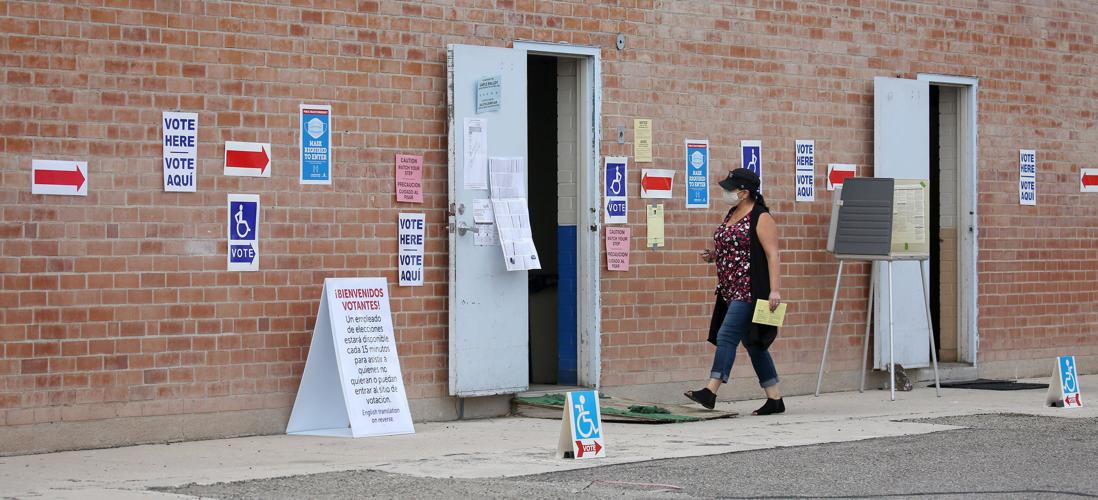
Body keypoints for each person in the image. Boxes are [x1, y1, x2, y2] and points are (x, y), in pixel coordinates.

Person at [684, 168, 785, 416]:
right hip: (729, 288)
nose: (726, 192)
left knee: (726, 335)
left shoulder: (761, 217)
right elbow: (735, 248)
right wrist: (715, 256)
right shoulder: (733, 212)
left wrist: (775, 290)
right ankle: (775, 399)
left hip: (751, 288)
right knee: (754, 344)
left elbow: (772, 254)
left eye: (731, 188)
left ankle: (711, 390)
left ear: (744, 192)